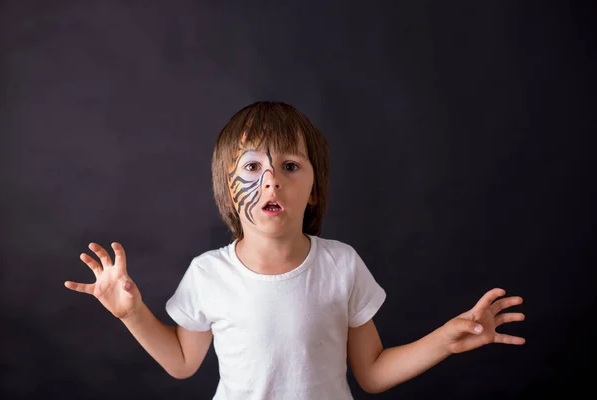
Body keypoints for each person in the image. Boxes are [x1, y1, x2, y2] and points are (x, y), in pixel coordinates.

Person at [64, 101, 525, 399]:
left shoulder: (341, 264)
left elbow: (372, 373)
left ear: (315, 190)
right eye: (251, 166)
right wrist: (131, 313)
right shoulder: (208, 274)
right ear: (227, 190)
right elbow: (183, 363)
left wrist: (445, 340)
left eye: (289, 165)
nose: (270, 180)